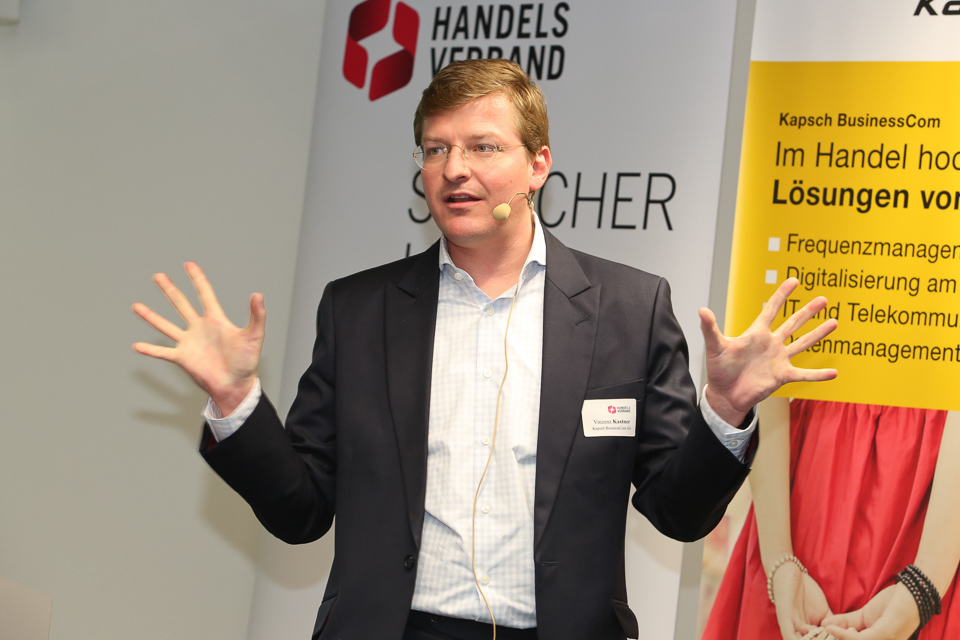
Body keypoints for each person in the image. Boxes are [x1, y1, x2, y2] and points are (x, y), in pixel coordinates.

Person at [132, 59, 837, 640]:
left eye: (483, 147)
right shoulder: (359, 311)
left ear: (538, 165)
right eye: (436, 149)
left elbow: (679, 513)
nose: (454, 169)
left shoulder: (628, 309)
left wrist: (725, 411)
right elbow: (301, 513)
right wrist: (236, 402)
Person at [701, 398, 960, 640]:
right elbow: (764, 381)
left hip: (934, 496)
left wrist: (925, 584)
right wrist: (778, 556)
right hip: (809, 481)